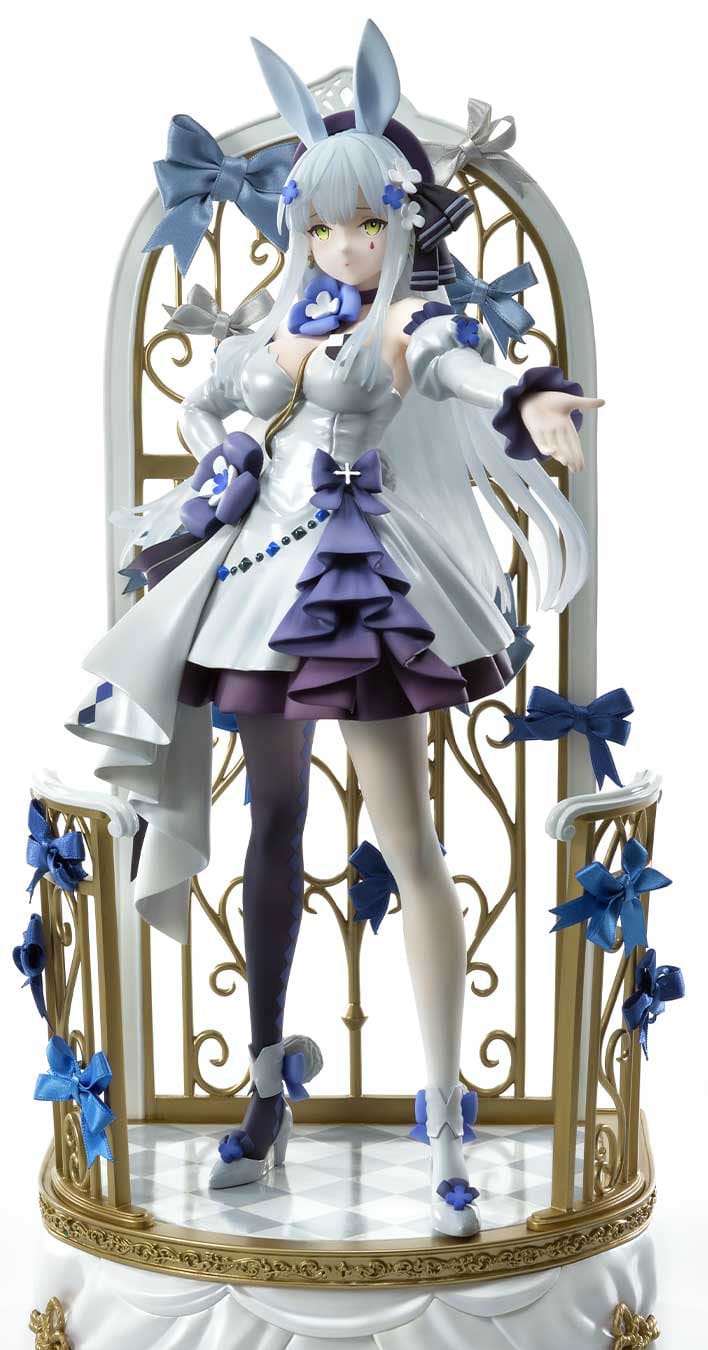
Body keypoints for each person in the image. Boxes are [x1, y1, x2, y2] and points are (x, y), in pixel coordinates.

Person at [67, 20, 602, 1238]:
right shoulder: (279, 319)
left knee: (411, 847)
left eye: (366, 223)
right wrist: (230, 425)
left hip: (360, 594)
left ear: (401, 220)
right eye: (322, 225)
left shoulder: (404, 323)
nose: (346, 245)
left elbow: (459, 369)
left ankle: (447, 1125)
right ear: (297, 228)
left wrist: (530, 397)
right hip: (262, 586)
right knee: (272, 826)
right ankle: (266, 1090)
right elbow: (209, 399)